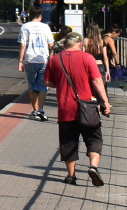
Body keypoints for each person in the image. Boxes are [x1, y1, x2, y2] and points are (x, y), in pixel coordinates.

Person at [46, 32, 112, 186]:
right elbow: (97, 81)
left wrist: (62, 83)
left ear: (65, 44)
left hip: (65, 109)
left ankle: (71, 176)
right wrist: (106, 102)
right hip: (87, 108)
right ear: (80, 44)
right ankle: (93, 167)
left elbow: (48, 82)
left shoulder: (55, 59)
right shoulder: (87, 58)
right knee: (94, 138)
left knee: (68, 142)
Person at [18, 6, 54, 121]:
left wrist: (20, 61)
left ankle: (35, 110)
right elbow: (51, 44)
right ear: (40, 16)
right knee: (43, 86)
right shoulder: (45, 27)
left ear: (30, 15)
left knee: (32, 86)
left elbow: (23, 45)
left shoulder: (25, 27)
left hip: (30, 60)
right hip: (43, 59)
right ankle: (41, 110)